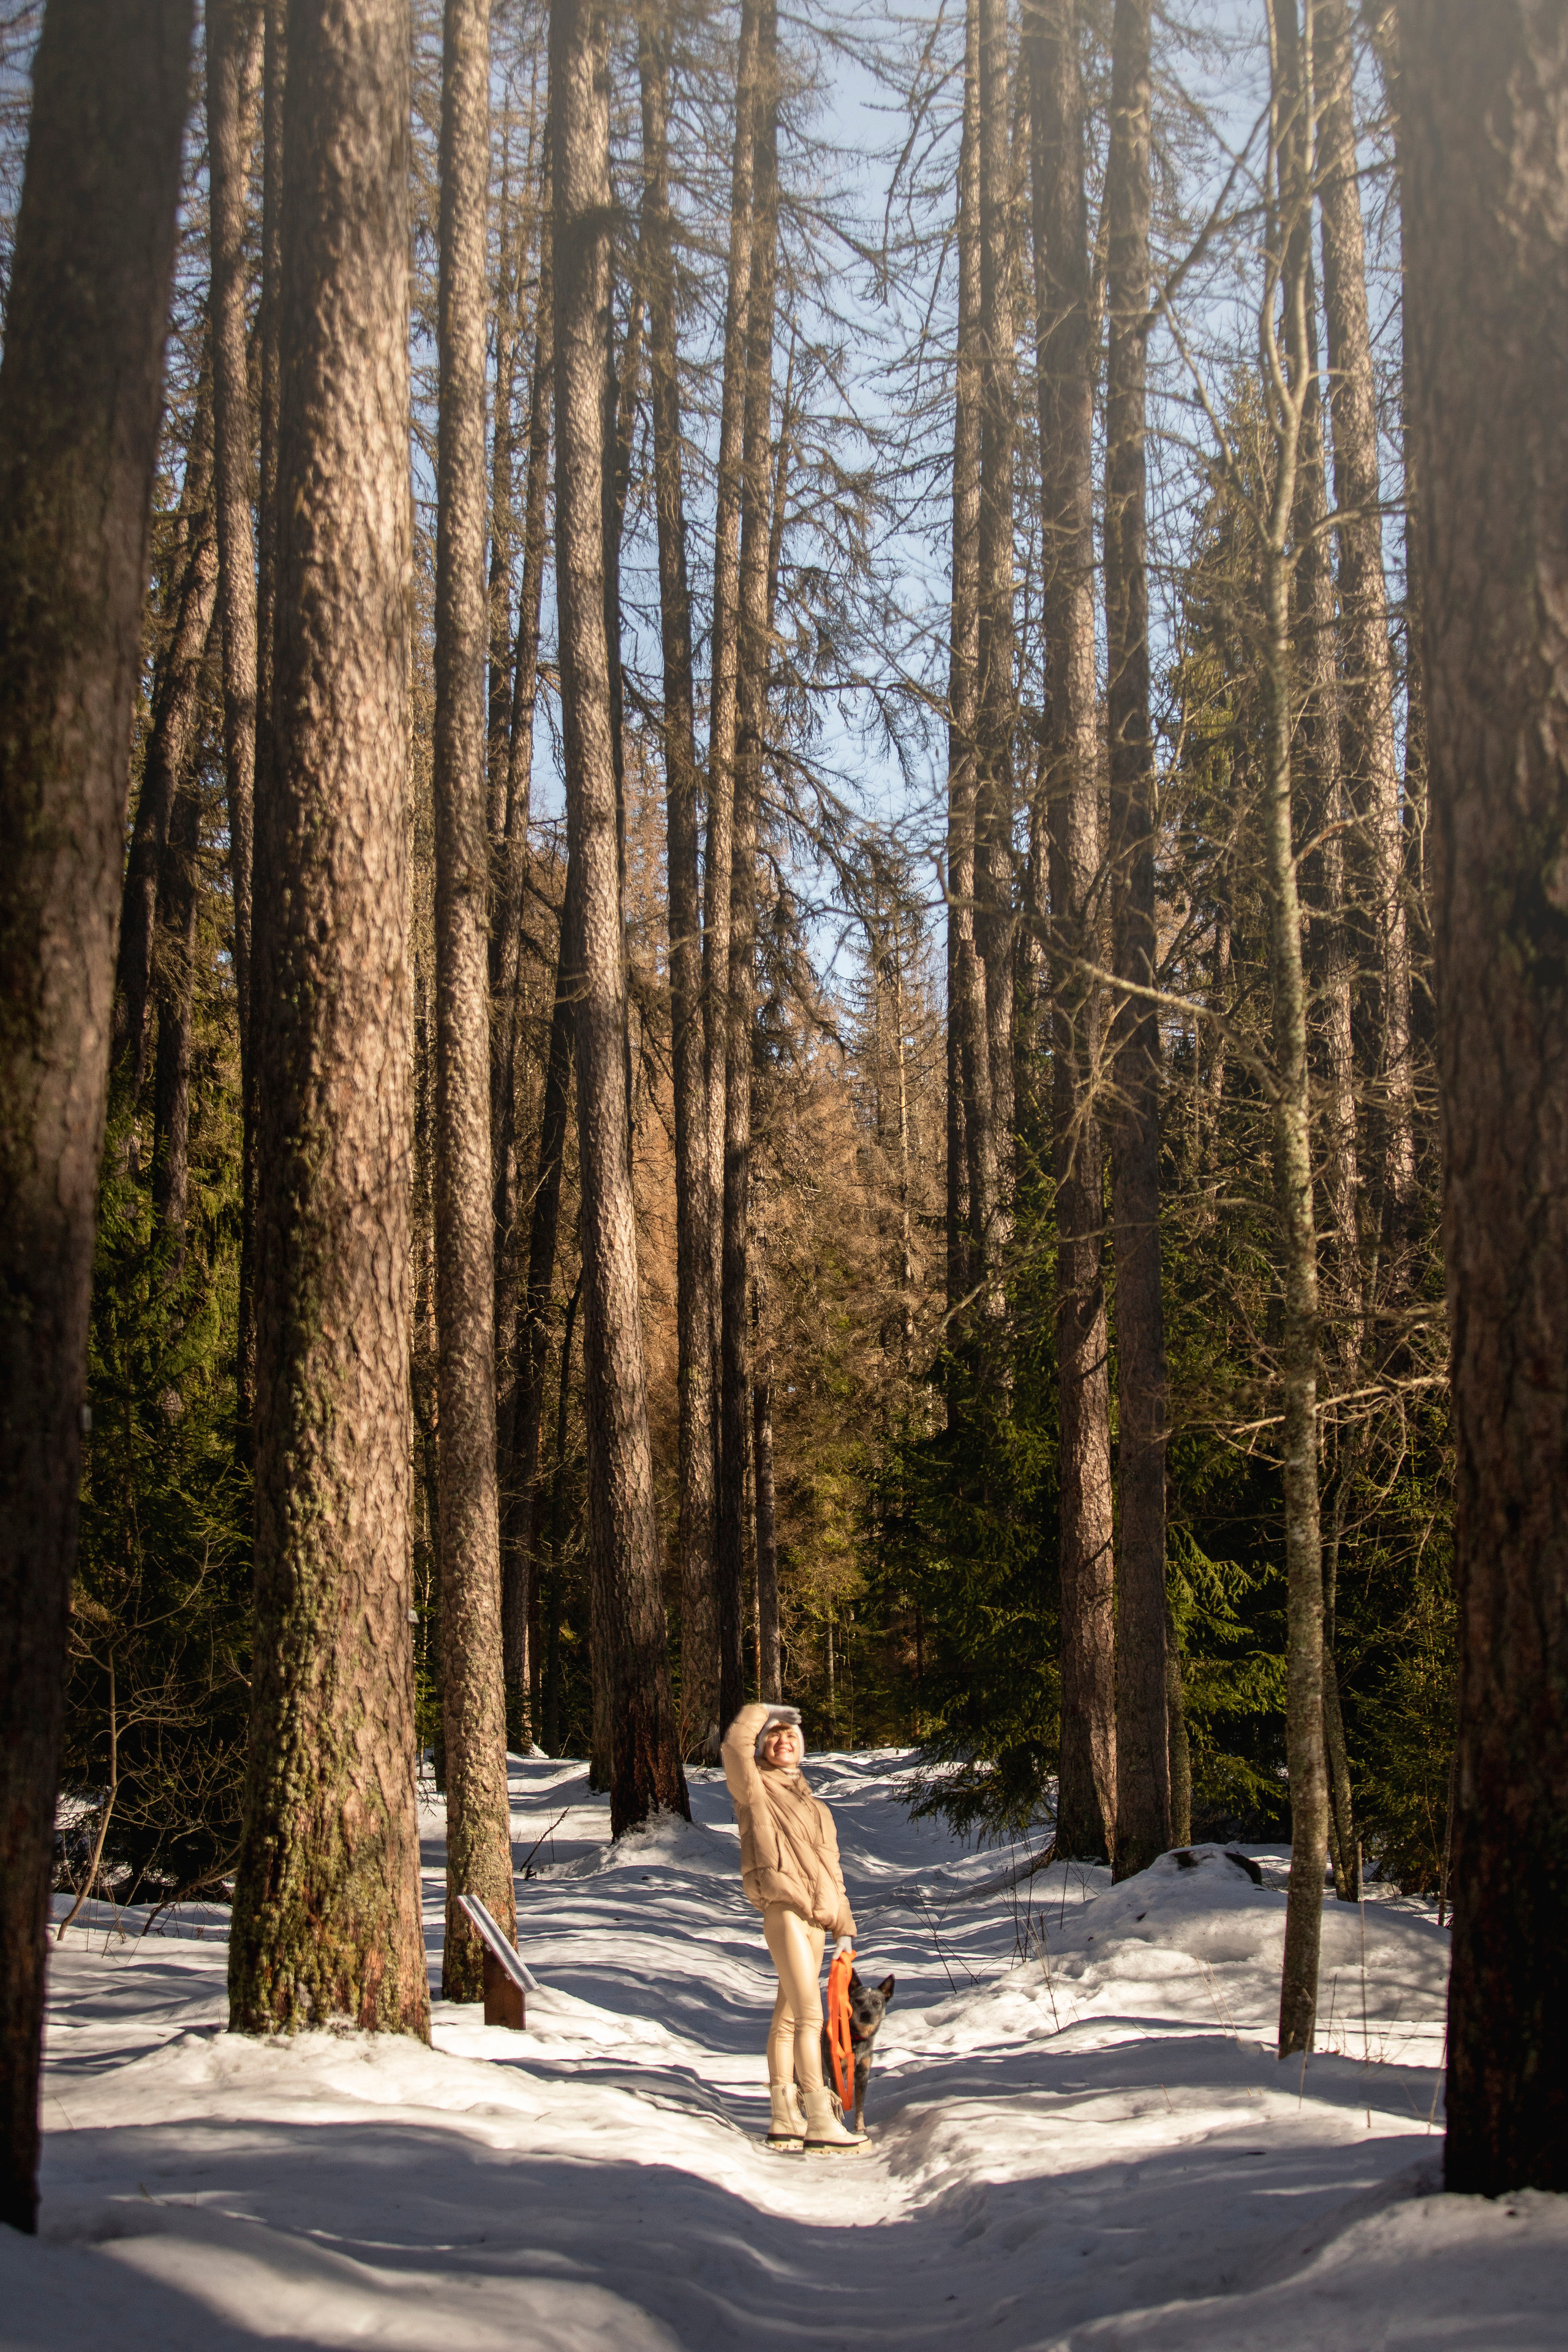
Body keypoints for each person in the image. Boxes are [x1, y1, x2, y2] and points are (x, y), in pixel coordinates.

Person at [720, 1701, 867, 2151]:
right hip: (783, 1910)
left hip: (816, 1920)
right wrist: (759, 1710)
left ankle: (784, 2115)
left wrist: (845, 1929)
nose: (783, 1741)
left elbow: (832, 1870)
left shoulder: (818, 1807)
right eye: (773, 1735)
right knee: (809, 2015)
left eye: (790, 1735)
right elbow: (732, 1746)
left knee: (788, 2017)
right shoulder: (753, 1789)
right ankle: (819, 2115)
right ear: (763, 1746)